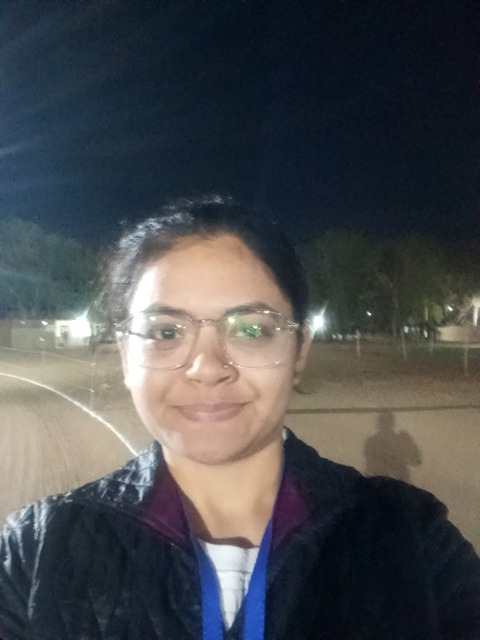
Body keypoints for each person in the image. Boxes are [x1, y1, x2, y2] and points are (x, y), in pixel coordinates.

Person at [0, 195, 479, 640]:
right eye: (165, 331)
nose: (207, 367)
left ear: (299, 350)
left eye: (251, 329)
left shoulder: (414, 543)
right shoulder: (33, 554)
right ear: (126, 356)